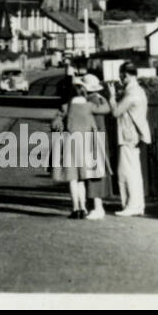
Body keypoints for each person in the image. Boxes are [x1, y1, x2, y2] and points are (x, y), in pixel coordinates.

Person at [51, 73, 112, 219]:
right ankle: (84, 208)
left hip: (70, 145)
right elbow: (107, 108)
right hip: (86, 146)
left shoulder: (66, 107)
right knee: (82, 180)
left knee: (73, 179)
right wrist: (105, 96)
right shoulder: (89, 106)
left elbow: (55, 123)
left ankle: (75, 208)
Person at [110, 61, 151, 216]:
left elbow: (116, 112)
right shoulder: (138, 90)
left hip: (129, 135)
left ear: (125, 75)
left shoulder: (132, 93)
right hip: (135, 135)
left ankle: (131, 205)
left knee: (126, 172)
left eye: (121, 75)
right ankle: (137, 205)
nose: (120, 78)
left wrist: (112, 96)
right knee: (134, 171)